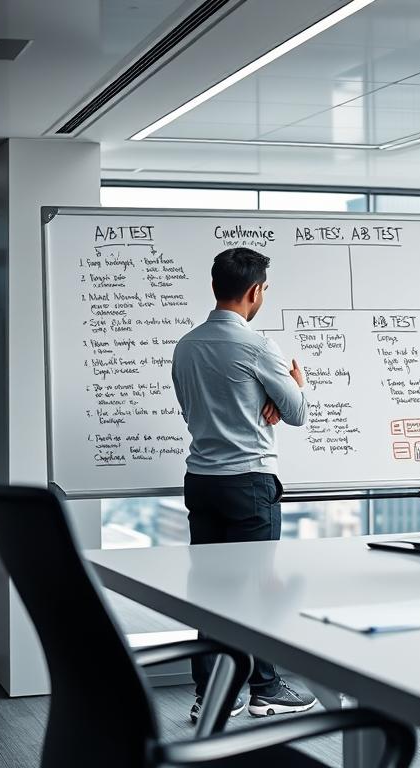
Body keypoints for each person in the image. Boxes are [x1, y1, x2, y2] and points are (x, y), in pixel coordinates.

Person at [172, 247, 317, 721]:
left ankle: (213, 693)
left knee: (210, 588)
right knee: (257, 588)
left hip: (202, 480)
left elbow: (196, 408)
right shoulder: (259, 347)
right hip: (250, 482)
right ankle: (265, 689)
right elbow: (295, 413)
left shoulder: (186, 346)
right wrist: (293, 383)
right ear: (254, 291)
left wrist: (261, 397)